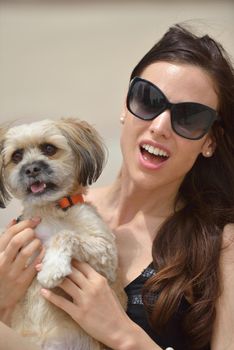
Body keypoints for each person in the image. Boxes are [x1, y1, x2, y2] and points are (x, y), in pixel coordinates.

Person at [0, 24, 234, 350]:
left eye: (190, 117)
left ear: (210, 141)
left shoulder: (222, 245)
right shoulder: (47, 215)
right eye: (148, 99)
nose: (160, 127)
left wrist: (123, 335)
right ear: (126, 106)